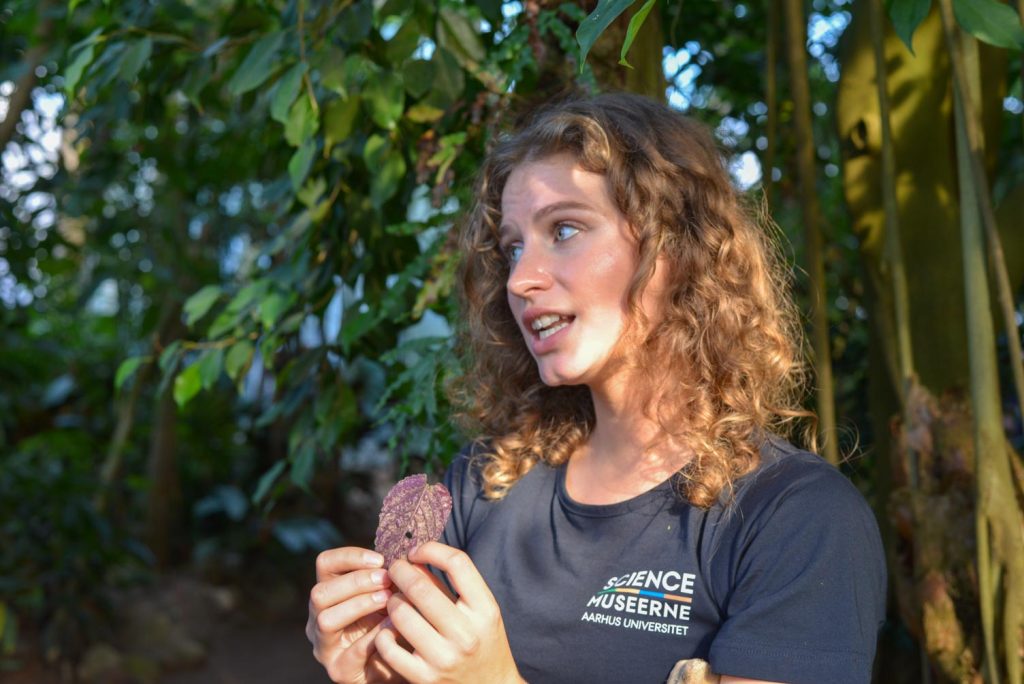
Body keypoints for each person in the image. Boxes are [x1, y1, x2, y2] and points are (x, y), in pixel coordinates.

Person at [306, 93, 886, 684]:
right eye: (513, 247)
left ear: (675, 250)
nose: (522, 279)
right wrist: (370, 671)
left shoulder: (797, 518)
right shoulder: (485, 481)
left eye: (564, 229)